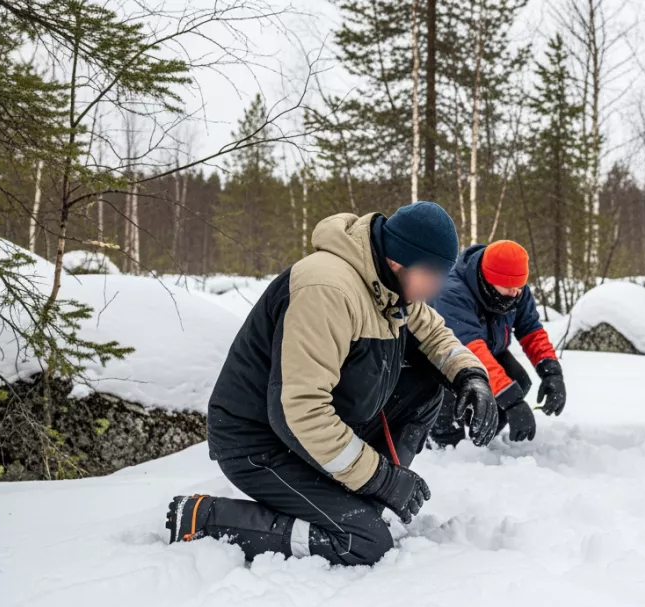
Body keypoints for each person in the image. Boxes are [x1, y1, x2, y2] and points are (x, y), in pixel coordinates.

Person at [166, 202, 498, 566]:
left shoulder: (390, 286)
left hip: (312, 431)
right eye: (434, 275)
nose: (438, 287)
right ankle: (206, 517)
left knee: (427, 384)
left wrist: (472, 376)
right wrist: (383, 478)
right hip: (259, 441)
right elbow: (301, 412)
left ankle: (363, 496)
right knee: (364, 541)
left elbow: (434, 334)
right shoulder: (327, 290)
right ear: (401, 261)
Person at [427, 240, 565, 446]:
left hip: (489, 349)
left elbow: (531, 330)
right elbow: (470, 350)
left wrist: (551, 372)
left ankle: (482, 434)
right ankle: (443, 444)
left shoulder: (516, 290)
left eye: (519, 287)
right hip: (444, 356)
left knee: (518, 381)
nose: (515, 293)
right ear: (488, 280)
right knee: (448, 391)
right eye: (509, 287)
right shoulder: (451, 292)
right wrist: (512, 401)